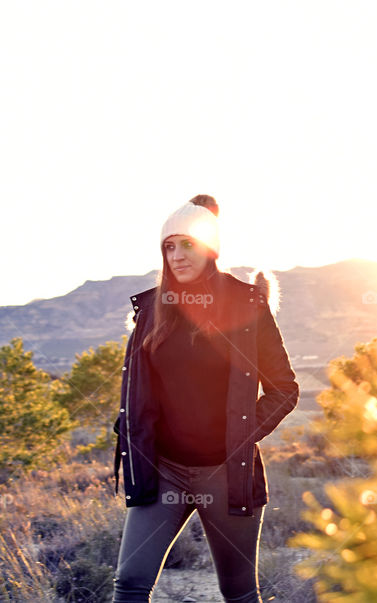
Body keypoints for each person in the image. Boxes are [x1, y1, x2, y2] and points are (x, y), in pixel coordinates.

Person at [111, 194, 299, 602]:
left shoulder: (246, 304)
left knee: (239, 593)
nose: (177, 255)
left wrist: (240, 436)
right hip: (164, 473)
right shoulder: (150, 309)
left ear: (211, 248)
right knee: (129, 583)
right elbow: (140, 389)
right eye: (169, 246)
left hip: (226, 474)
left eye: (188, 244)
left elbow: (284, 389)